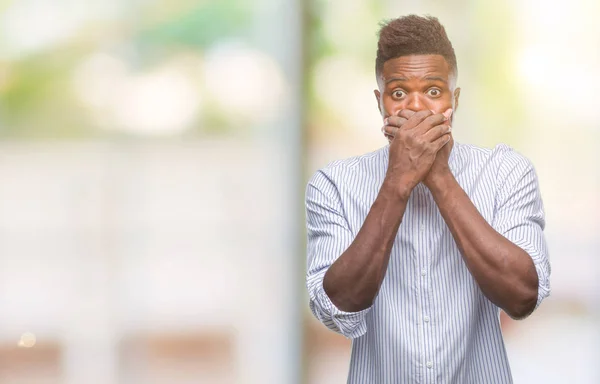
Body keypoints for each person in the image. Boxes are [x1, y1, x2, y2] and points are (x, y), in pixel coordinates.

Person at [305, 15, 551, 383]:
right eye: (399, 93)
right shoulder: (334, 184)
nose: (417, 108)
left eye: (434, 91)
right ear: (380, 102)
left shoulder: (506, 172)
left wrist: (438, 176)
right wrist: (397, 181)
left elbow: (521, 297)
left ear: (456, 98)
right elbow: (338, 307)